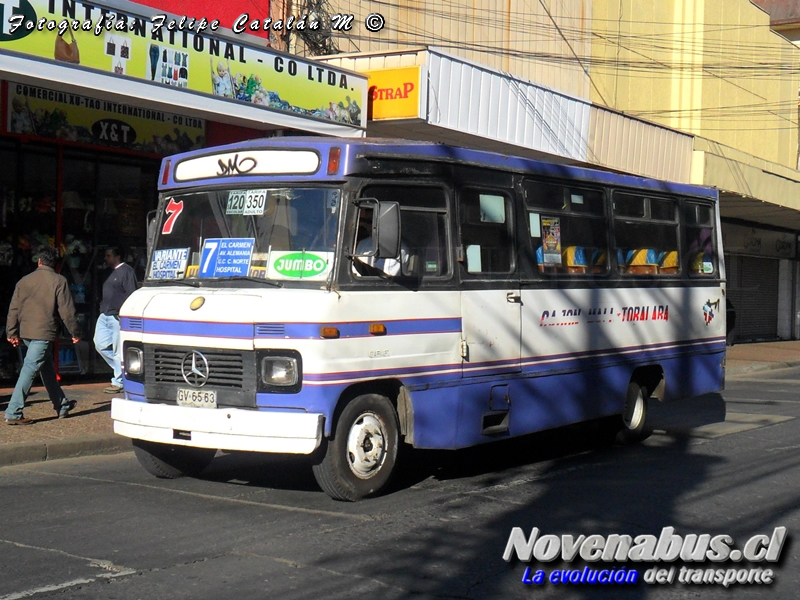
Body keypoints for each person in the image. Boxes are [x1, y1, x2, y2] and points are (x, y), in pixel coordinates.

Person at [5, 246, 80, 424]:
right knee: (29, 370)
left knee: (46, 369)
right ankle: (13, 412)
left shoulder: (24, 281)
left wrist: (12, 331)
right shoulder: (59, 280)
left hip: (27, 332)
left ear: (39, 261)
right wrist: (75, 332)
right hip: (44, 332)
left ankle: (61, 405)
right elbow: (67, 312)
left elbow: (14, 309)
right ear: (55, 263)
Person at [94, 246, 137, 394]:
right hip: (105, 314)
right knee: (100, 344)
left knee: (118, 351)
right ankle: (123, 371)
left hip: (116, 316)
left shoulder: (127, 271)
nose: (106, 259)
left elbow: (132, 293)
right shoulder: (108, 272)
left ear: (117, 256)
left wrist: (123, 313)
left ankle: (118, 381)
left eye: (108, 256)